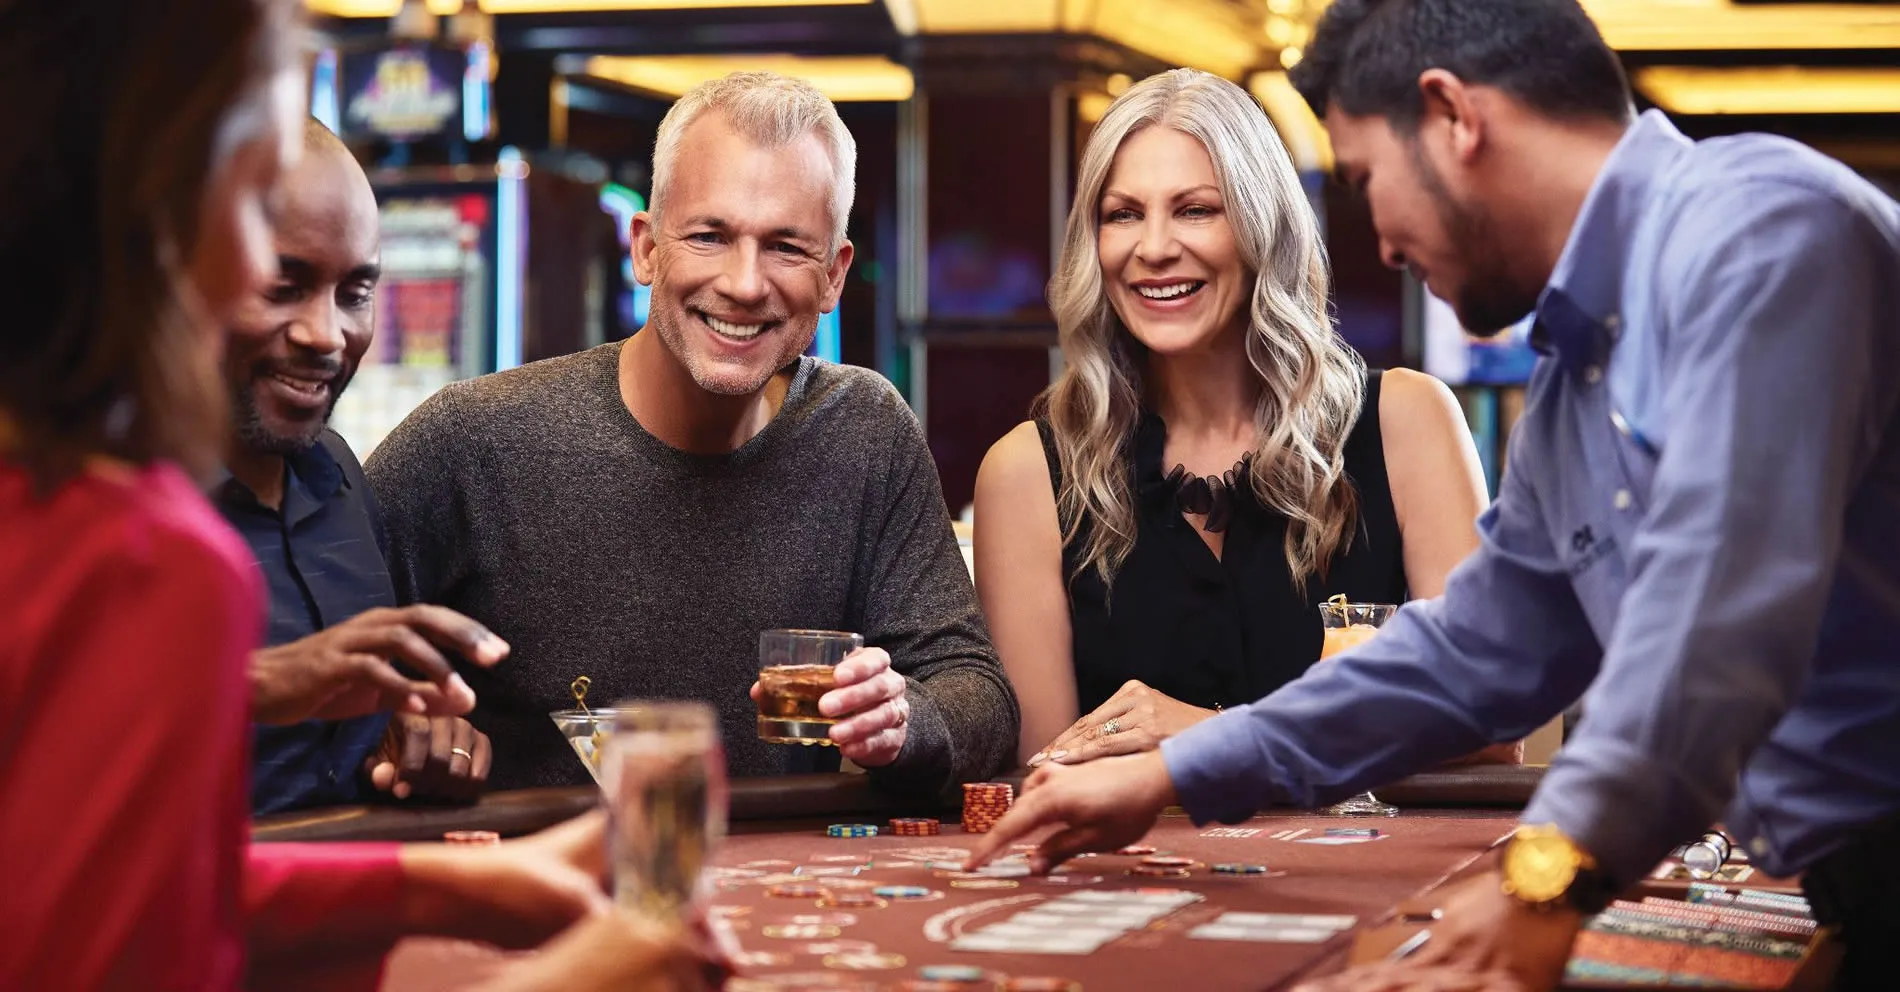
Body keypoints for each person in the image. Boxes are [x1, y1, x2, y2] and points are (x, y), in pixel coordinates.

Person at [963, 2, 1900, 990]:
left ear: (1452, 118)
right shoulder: (1575, 374)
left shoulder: (1761, 234)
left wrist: (1543, 882)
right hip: (1853, 882)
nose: (1382, 242)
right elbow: (1473, 654)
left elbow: (1713, 625)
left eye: (1369, 178)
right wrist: (1173, 770)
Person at [0, 1, 713, 988]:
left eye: (355, 287)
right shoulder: (145, 557)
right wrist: (565, 980)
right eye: (253, 198)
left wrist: (442, 887)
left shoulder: (297, 481)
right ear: (150, 213)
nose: (320, 329)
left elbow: (112, 892)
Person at [366, 71, 1018, 794]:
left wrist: (902, 717)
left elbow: (978, 694)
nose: (744, 283)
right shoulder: (475, 441)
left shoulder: (864, 432)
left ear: (834, 276)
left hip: (781, 865)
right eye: (710, 236)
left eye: (786, 247)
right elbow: (308, 657)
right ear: (646, 248)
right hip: (545, 864)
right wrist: (391, 726)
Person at [972, 67, 1491, 769]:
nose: (1154, 247)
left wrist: (1211, 736)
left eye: (1195, 210)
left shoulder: (1407, 422)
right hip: (1135, 849)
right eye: (1123, 214)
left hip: (1369, 845)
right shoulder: (1027, 473)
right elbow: (1046, 772)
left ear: (1261, 226)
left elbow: (1490, 723)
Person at [222, 117, 497, 813]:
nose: (327, 334)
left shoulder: (340, 472)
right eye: (282, 285)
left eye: (355, 293)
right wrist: (257, 685)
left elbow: (340, 756)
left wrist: (411, 741)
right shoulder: (88, 492)